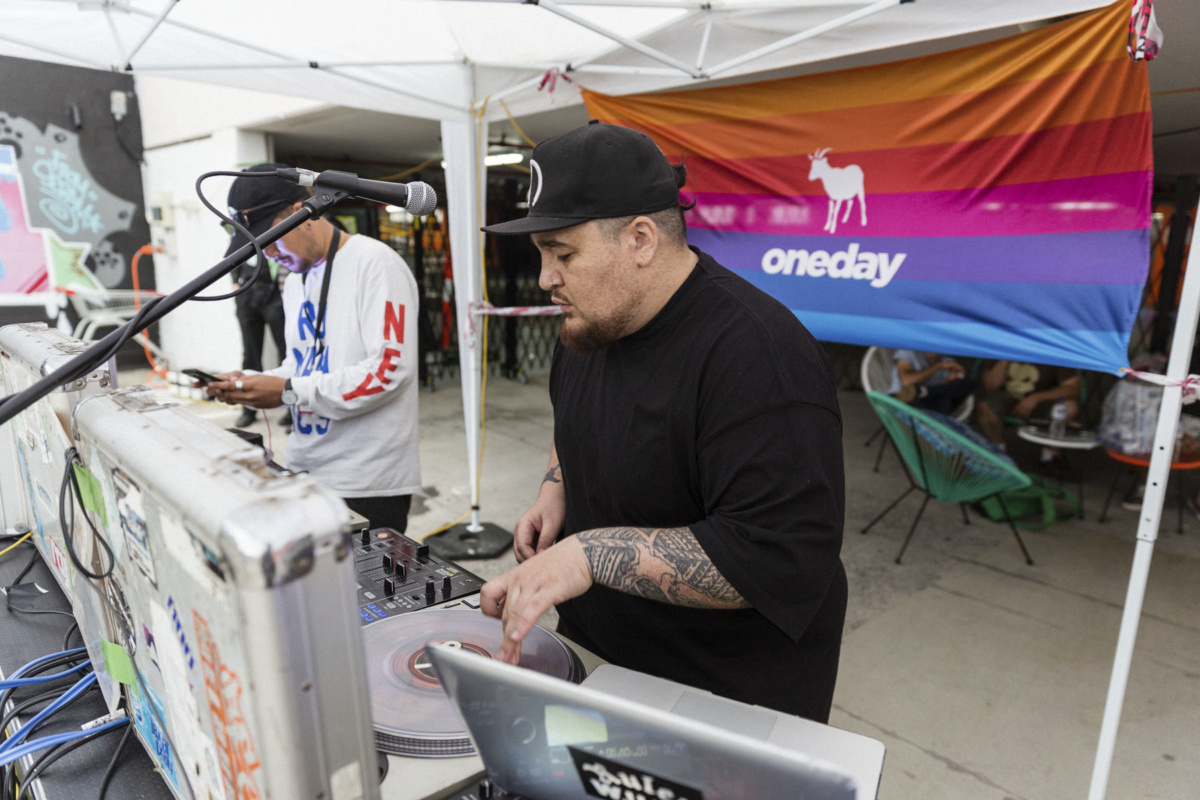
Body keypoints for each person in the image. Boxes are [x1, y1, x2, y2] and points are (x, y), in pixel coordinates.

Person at [478, 121, 847, 723]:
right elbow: (576, 420)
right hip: (599, 657)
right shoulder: (591, 323)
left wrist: (586, 556)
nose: (546, 278)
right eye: (541, 254)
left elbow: (778, 555)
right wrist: (555, 488)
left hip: (721, 697)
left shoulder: (760, 357)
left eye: (563, 253)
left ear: (641, 239)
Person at [206, 164, 420, 533]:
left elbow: (388, 371)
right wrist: (254, 383)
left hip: (365, 481)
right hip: (306, 468)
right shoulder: (295, 281)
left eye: (271, 238)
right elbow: (301, 365)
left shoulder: (376, 263)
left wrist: (288, 391)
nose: (267, 254)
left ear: (301, 214)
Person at [229, 253, 289, 429]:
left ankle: (292, 408)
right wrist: (234, 280)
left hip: (274, 292)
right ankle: (249, 409)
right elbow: (234, 252)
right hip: (247, 292)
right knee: (251, 353)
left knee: (286, 350)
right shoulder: (241, 237)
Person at [889, 350, 976, 414]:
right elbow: (907, 381)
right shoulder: (909, 352)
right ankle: (924, 392)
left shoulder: (947, 359)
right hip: (903, 402)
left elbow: (954, 385)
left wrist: (955, 379)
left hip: (932, 405)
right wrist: (938, 366)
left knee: (969, 384)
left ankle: (924, 391)